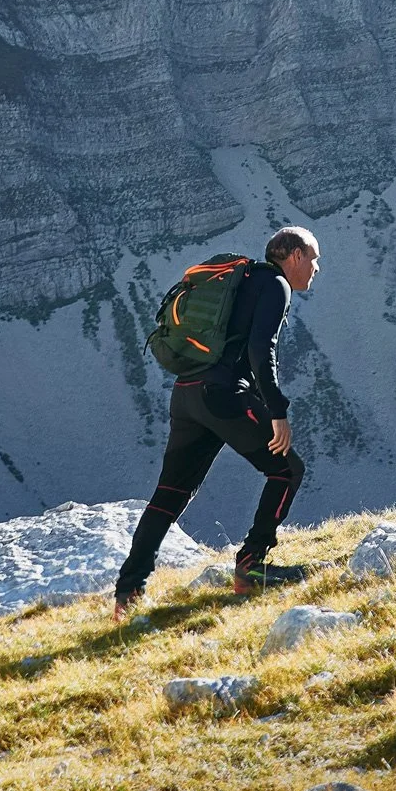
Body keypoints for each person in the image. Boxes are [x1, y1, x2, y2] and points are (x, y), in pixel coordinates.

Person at [114, 226, 320, 616]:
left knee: (170, 494)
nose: (316, 267)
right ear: (293, 256)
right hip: (223, 394)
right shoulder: (276, 284)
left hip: (188, 393)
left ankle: (129, 592)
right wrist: (277, 411)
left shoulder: (243, 279)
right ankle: (251, 566)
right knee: (287, 470)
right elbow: (263, 349)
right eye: (313, 258)